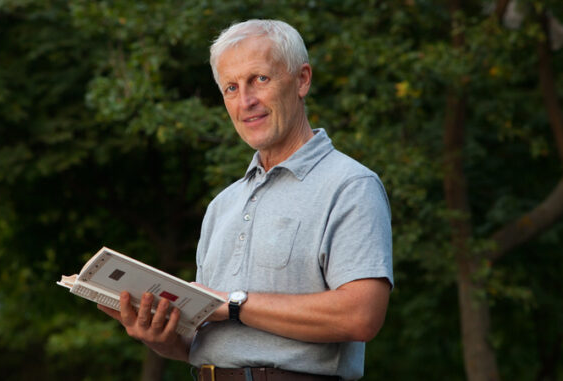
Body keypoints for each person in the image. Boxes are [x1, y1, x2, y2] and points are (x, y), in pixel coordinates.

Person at [98, 19, 393, 381]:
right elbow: (202, 340)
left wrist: (234, 304)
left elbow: (361, 316)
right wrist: (160, 338)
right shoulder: (223, 204)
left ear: (302, 80)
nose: (246, 101)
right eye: (231, 88)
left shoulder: (351, 185)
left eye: (260, 80)